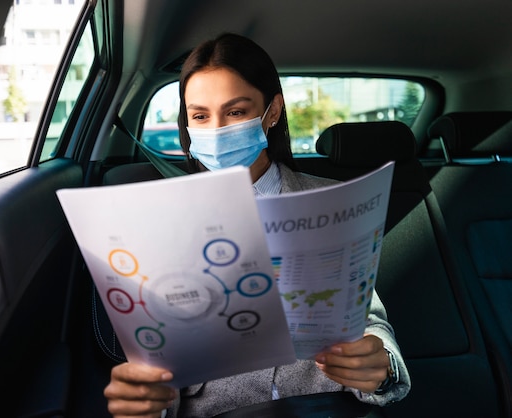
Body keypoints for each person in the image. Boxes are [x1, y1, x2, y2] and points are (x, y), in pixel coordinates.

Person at [104, 33, 411, 417]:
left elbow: (367, 318)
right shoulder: (162, 220)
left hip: (326, 407)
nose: (216, 130)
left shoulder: (331, 201)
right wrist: (147, 403)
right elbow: (160, 360)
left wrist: (380, 365)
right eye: (200, 115)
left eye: (235, 112)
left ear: (273, 111)